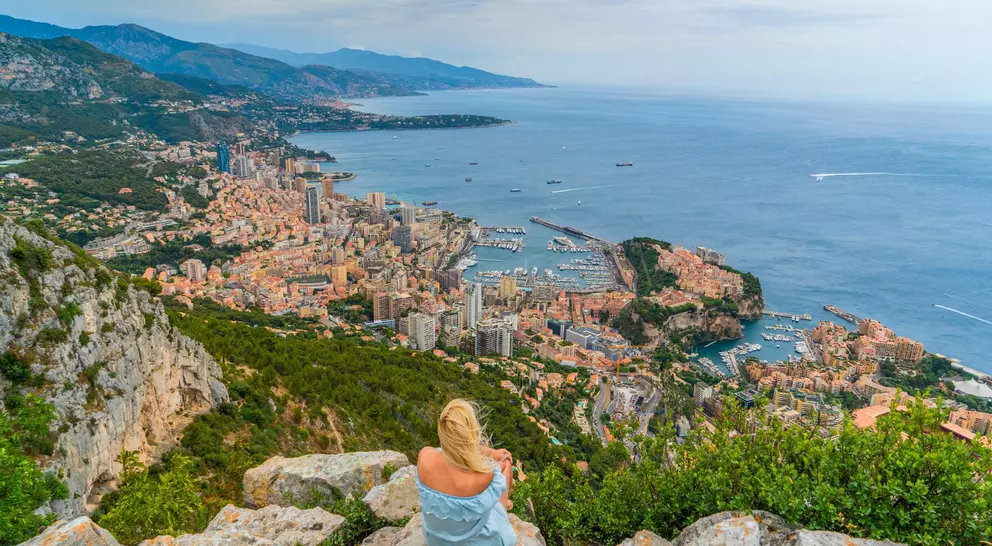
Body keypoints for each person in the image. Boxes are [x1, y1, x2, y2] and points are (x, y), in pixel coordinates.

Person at [416, 399, 517, 546]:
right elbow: (497, 469)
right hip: (478, 542)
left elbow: (454, 450)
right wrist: (498, 457)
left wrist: (491, 452)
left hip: (435, 541)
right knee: (507, 464)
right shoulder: (486, 477)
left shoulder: (425, 456)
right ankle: (505, 506)